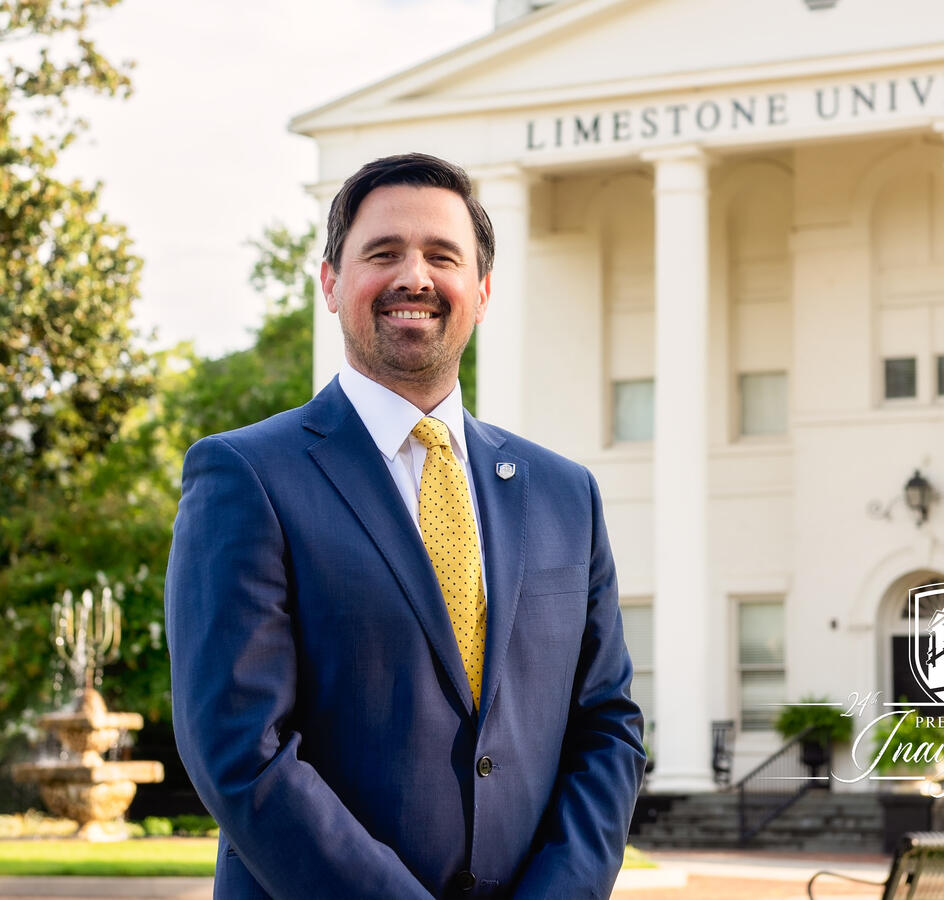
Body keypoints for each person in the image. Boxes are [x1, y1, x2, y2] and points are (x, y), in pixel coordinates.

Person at [165, 152, 645, 899]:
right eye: (382, 253)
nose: (414, 277)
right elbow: (240, 749)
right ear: (330, 283)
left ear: (482, 292)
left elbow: (607, 725)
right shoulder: (245, 477)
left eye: (443, 256)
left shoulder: (565, 494)